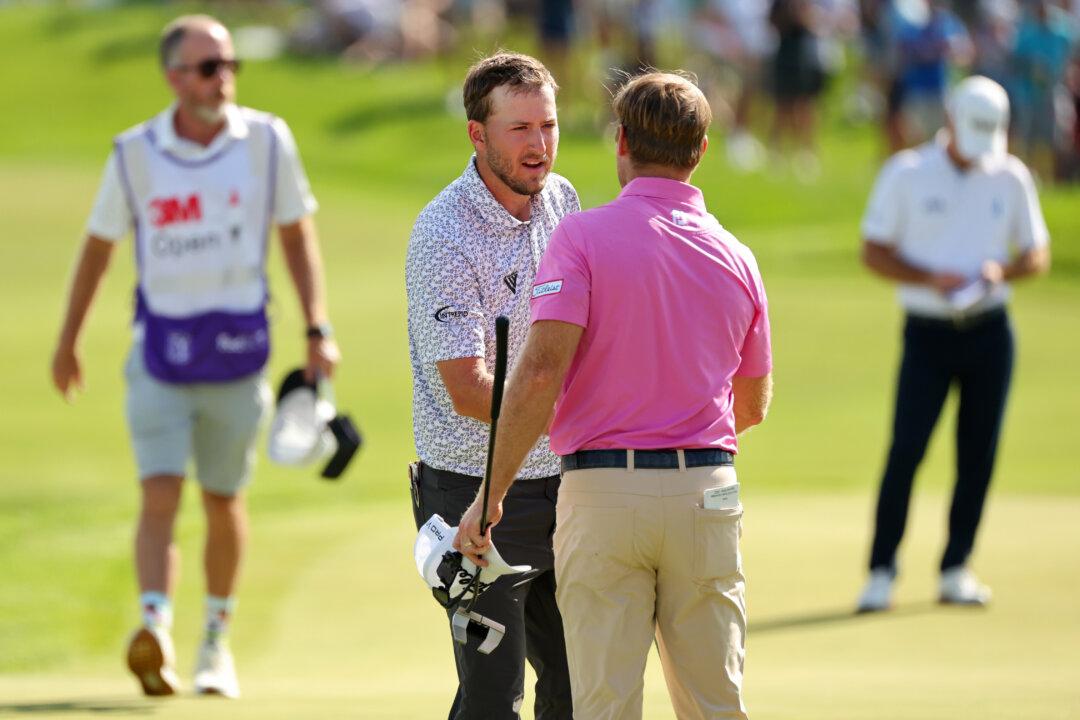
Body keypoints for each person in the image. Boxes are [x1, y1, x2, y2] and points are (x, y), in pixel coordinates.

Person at [457, 71, 773, 720]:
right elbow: (751, 406)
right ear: (701, 149)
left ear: (621, 141)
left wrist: (491, 496)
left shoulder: (581, 237)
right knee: (716, 705)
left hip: (603, 493)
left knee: (604, 707)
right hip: (707, 492)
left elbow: (540, 374)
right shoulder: (737, 256)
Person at [50, 15, 339, 697]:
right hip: (159, 353)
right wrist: (68, 340)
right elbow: (99, 247)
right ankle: (155, 627)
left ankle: (215, 641)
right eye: (210, 67)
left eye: (230, 64)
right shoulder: (135, 153)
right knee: (159, 492)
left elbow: (296, 234)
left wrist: (317, 326)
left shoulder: (266, 139)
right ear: (174, 77)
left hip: (239, 354)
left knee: (222, 498)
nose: (224, 78)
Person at [404, 52, 578, 719]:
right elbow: (469, 390)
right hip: (472, 498)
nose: (539, 145)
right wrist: (584, 411)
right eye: (520, 128)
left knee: (579, 685)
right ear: (477, 134)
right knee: (490, 696)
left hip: (564, 485)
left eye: (548, 125)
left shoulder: (562, 201)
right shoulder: (442, 233)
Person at [856, 75, 1050, 612]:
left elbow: (1036, 254)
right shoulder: (907, 172)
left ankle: (956, 567)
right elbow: (873, 251)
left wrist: (1002, 270)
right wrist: (927, 278)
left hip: (991, 330)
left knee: (978, 453)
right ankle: (881, 570)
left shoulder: (1011, 175)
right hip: (928, 333)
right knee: (907, 450)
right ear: (949, 120)